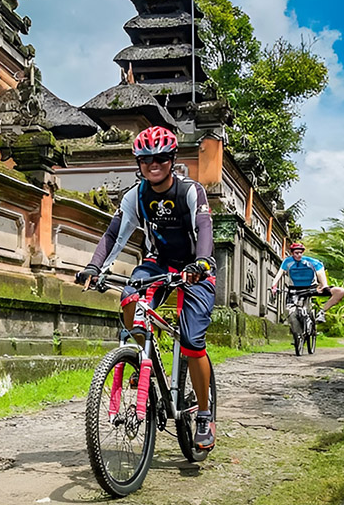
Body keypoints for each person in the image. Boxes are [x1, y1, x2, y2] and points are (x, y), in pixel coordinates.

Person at [75, 126, 217, 451]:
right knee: (129, 296)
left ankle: (204, 414)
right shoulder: (135, 195)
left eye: (161, 158)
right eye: (146, 159)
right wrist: (95, 267)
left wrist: (203, 263)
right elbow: (113, 235)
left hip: (196, 267)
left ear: (172, 159)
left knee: (193, 342)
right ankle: (140, 357)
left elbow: (204, 226)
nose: (154, 164)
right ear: (138, 162)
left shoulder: (190, 191)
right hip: (158, 263)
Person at [269, 242, 344, 322]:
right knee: (289, 311)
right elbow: (280, 273)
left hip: (311, 288)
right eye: (296, 253)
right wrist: (274, 286)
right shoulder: (287, 261)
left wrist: (324, 286)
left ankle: (322, 312)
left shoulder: (309, 261)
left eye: (301, 253)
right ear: (292, 253)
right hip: (295, 289)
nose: (299, 255)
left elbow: (320, 272)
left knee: (340, 291)